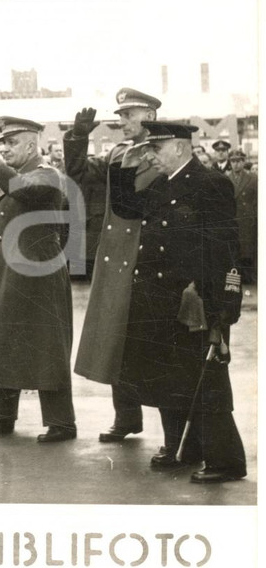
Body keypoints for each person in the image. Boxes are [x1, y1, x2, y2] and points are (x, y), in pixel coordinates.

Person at [109, 122, 246, 483]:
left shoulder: (211, 184)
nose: (151, 154)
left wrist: (223, 307)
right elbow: (125, 206)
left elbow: (227, 249)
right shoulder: (161, 184)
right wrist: (124, 163)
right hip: (158, 299)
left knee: (207, 380)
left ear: (181, 148)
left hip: (196, 299)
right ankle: (185, 449)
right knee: (169, 379)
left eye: (157, 148)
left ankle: (226, 461)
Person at [0, 117, 76, 442]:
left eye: (11, 142)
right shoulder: (17, 176)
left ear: (31, 144)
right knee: (5, 342)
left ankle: (62, 423)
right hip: (11, 273)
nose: (3, 148)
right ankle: (3, 417)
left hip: (37, 276)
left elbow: (23, 191)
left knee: (47, 348)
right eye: (2, 143)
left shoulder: (47, 175)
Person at [64, 89, 161, 442]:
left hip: (150, 257)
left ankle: (173, 431)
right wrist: (78, 137)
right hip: (117, 257)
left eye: (127, 115)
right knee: (118, 337)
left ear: (149, 116)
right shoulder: (118, 153)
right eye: (119, 115)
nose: (120, 122)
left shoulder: (163, 152)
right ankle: (127, 418)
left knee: (153, 341)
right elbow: (76, 171)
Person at [227, 149, 257, 284]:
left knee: (248, 250)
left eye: (238, 161)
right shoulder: (226, 178)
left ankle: (249, 278)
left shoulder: (253, 179)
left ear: (244, 162)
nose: (236, 164)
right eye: (233, 161)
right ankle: (235, 280)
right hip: (233, 220)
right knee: (234, 252)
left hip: (248, 222)